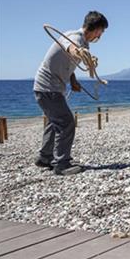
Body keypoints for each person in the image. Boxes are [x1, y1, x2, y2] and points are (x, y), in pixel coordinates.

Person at [33, 11, 108, 175]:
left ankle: (45, 157)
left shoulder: (84, 43)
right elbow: (71, 48)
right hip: (48, 88)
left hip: (49, 88)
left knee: (55, 122)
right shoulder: (74, 37)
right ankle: (62, 164)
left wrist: (73, 80)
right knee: (66, 123)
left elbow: (69, 60)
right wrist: (78, 52)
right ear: (97, 29)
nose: (101, 36)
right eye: (101, 31)